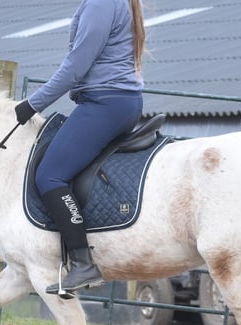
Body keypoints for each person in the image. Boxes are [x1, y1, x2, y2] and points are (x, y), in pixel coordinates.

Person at [14, 0, 145, 296]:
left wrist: (33, 103)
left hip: (106, 103)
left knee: (49, 175)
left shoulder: (102, 3)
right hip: (114, 101)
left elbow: (76, 67)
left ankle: (83, 262)